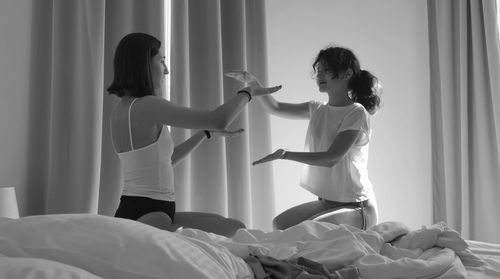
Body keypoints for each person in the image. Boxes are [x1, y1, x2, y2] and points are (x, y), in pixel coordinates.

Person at [107, 32, 281, 236]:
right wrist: (249, 92)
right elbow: (219, 118)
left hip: (139, 208)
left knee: (233, 225)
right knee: (236, 231)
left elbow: (166, 160)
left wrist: (205, 133)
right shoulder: (147, 105)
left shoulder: (120, 110)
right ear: (143, 64)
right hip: (150, 213)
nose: (166, 71)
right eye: (161, 61)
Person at [227, 45, 381, 230]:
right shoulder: (317, 108)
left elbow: (331, 158)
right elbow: (274, 107)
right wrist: (253, 83)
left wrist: (286, 155)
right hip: (327, 202)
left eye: (326, 70)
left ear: (347, 74)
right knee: (279, 224)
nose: (319, 76)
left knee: (308, 231)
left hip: (358, 207)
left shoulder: (356, 112)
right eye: (318, 71)